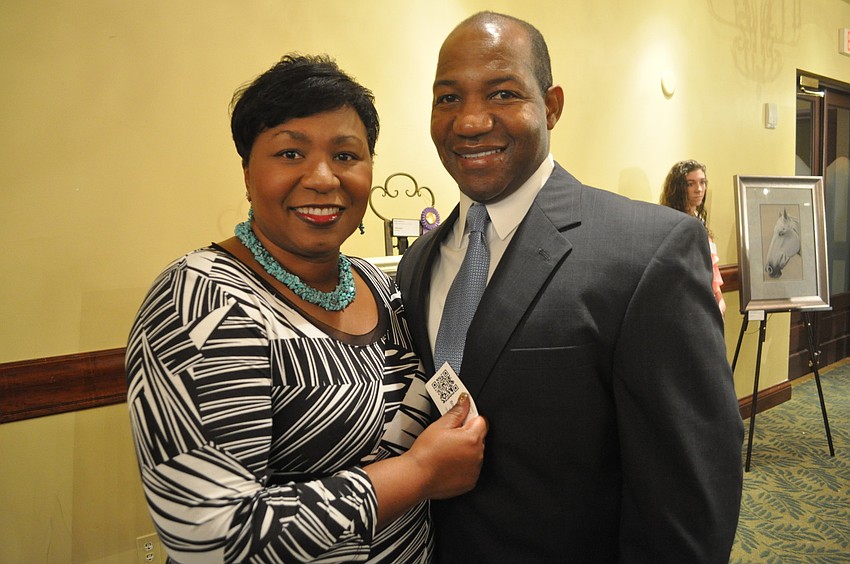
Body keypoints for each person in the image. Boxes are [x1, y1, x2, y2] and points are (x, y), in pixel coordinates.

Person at [396, 12, 744, 563]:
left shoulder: (650, 251)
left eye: (503, 93)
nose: (470, 121)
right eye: (448, 98)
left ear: (552, 106)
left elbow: (690, 493)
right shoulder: (419, 262)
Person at [125, 54, 487, 563]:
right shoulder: (202, 299)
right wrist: (418, 473)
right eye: (290, 153)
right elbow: (209, 535)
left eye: (345, 155)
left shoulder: (379, 284)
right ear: (247, 172)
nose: (322, 178)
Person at [661, 159, 727, 317]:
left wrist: (719, 298)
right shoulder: (673, 222)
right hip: (687, 303)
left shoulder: (698, 218)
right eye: (690, 184)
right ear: (678, 188)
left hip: (707, 298)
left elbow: (711, 264)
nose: (699, 189)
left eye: (702, 182)